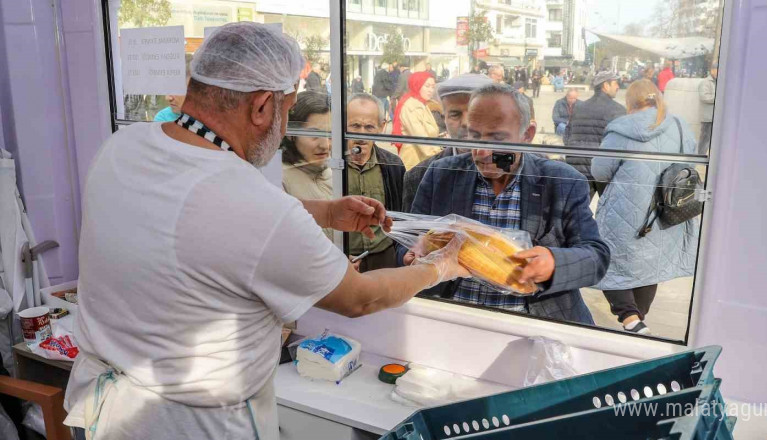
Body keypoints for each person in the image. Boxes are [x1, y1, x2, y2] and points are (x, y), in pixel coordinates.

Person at [62, 22, 470, 440]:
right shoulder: (248, 201)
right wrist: (441, 265)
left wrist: (325, 212)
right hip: (189, 427)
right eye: (288, 109)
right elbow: (359, 298)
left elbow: (196, 222)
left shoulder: (125, 145)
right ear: (261, 107)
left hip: (103, 413)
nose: (287, 126)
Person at [401, 83, 611, 324]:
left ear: (527, 135)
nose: (481, 152)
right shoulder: (441, 174)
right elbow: (411, 240)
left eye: (497, 138)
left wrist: (554, 263)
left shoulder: (562, 182)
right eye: (475, 136)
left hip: (532, 321)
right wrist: (412, 254)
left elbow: (597, 257)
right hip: (451, 317)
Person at [590, 79, 699, 335]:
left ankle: (630, 318)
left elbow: (600, 171)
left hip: (625, 209)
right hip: (666, 210)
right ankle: (637, 320)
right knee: (649, 264)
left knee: (608, 259)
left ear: (631, 101)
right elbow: (690, 159)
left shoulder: (621, 128)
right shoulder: (680, 125)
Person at [401, 73, 494, 211]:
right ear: (444, 118)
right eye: (455, 114)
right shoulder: (419, 176)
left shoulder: (517, 170)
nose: (466, 123)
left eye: (475, 113)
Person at [347, 93, 406, 271]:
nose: (361, 134)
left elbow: (401, 215)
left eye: (369, 127)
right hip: (342, 257)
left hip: (385, 257)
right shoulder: (332, 166)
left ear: (381, 127)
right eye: (355, 126)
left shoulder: (392, 164)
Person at [564, 71, 626, 198]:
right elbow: (622, 143)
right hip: (602, 169)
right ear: (605, 86)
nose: (618, 86)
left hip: (578, 167)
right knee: (608, 211)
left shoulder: (578, 107)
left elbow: (567, 135)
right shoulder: (618, 110)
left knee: (577, 212)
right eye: (615, 83)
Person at [280, 91, 333, 239]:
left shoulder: (332, 170)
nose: (325, 145)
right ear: (291, 134)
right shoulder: (279, 180)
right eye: (314, 135)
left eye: (330, 134)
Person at [392, 71, 442, 169]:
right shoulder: (411, 107)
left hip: (425, 162)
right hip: (414, 164)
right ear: (417, 85)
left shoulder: (423, 104)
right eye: (427, 86)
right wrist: (443, 155)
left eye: (432, 87)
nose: (430, 90)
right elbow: (422, 141)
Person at [698, 62, 718, 155]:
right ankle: (700, 156)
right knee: (705, 140)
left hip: (715, 116)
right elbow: (704, 97)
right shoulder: (705, 82)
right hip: (707, 117)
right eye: (717, 69)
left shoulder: (718, 82)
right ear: (712, 70)